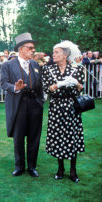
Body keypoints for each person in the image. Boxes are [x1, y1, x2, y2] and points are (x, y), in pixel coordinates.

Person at [1, 33, 44, 177]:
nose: (33, 50)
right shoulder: (8, 65)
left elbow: (40, 85)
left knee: (34, 136)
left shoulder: (35, 64)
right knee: (18, 136)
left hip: (35, 104)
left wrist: (40, 101)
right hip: (18, 104)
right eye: (30, 48)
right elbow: (3, 83)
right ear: (21, 49)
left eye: (34, 48)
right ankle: (19, 166)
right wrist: (15, 87)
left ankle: (32, 167)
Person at [42, 41, 85, 183]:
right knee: (58, 136)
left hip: (71, 107)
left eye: (56, 52)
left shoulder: (77, 69)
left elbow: (81, 89)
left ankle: (73, 170)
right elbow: (46, 89)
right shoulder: (49, 70)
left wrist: (76, 84)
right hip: (56, 106)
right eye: (53, 52)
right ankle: (60, 168)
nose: (53, 55)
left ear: (65, 55)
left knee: (72, 137)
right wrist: (57, 85)